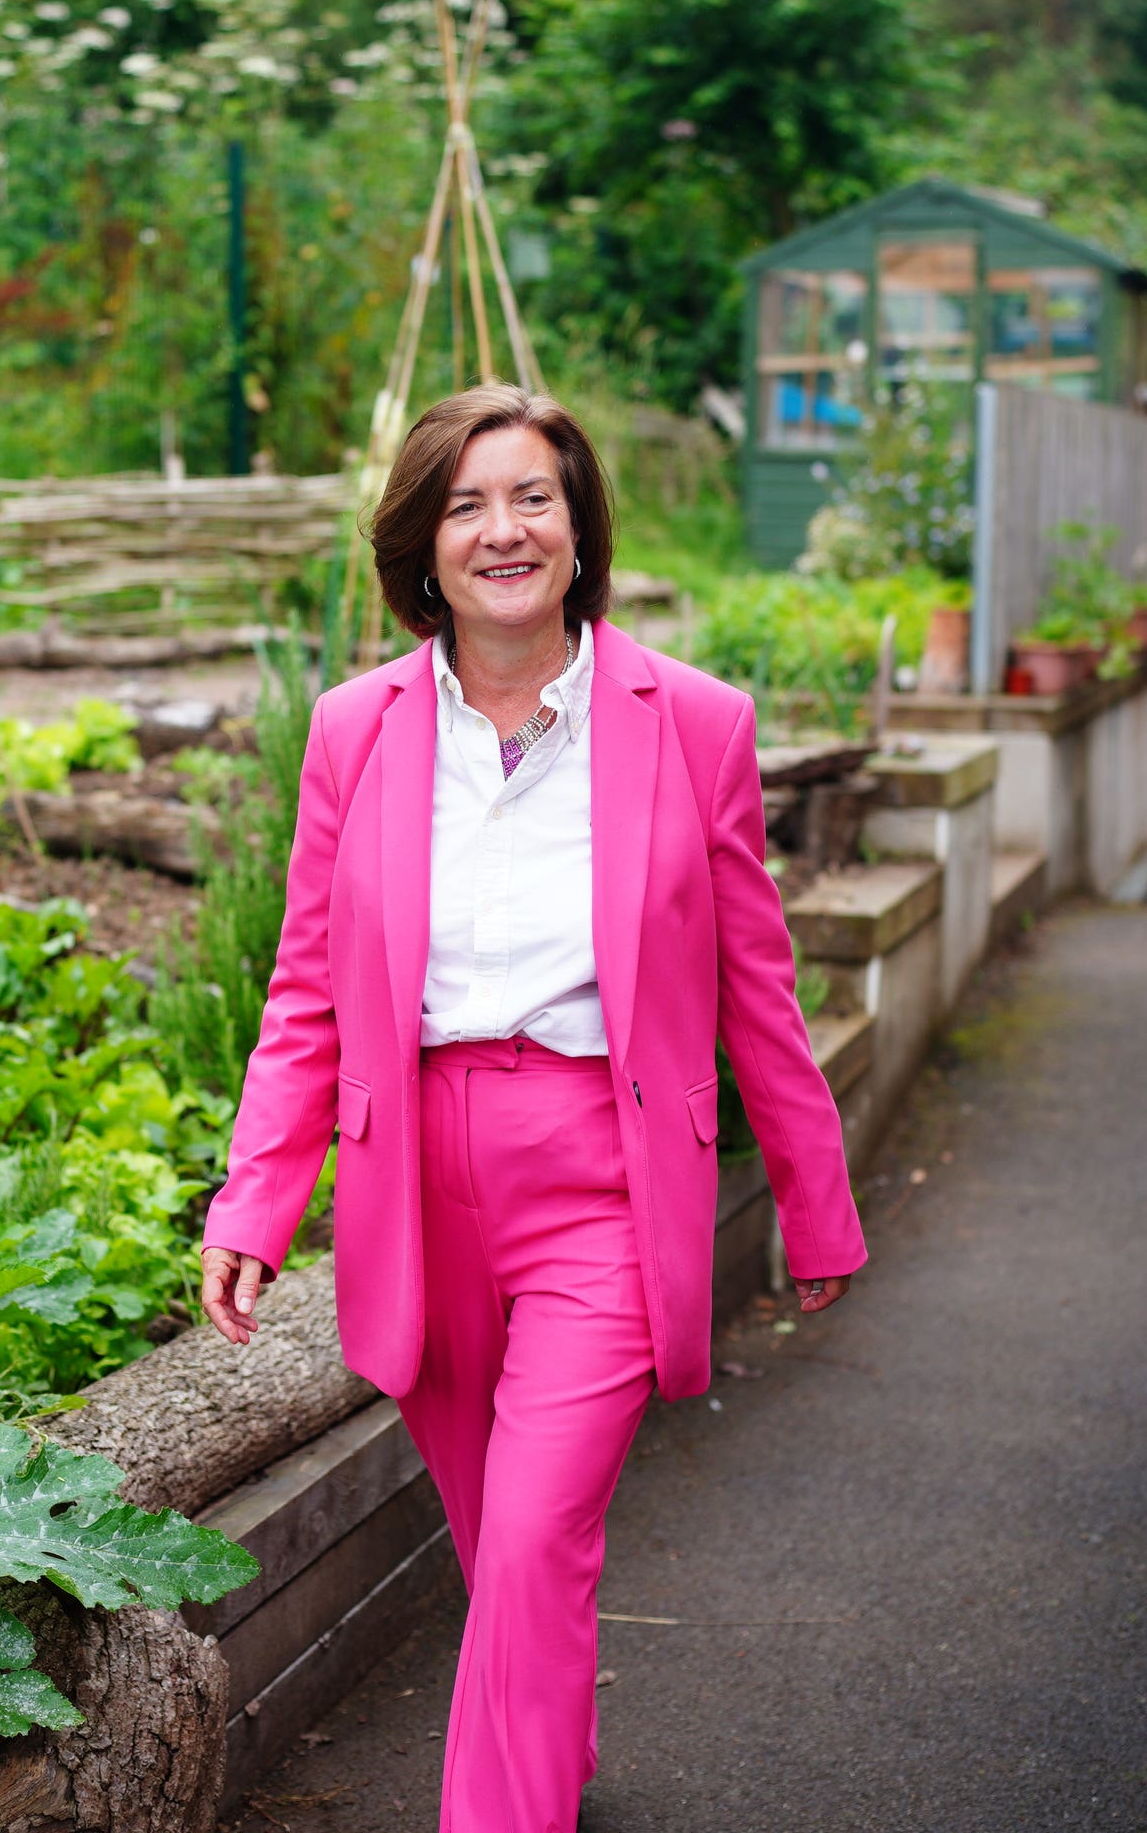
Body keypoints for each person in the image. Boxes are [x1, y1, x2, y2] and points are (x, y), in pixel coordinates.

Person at [198, 384, 866, 1830]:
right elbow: (307, 987)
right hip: (418, 1186)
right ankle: (547, 1769)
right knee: (508, 1539)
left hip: (603, 1185)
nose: (504, 530)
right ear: (423, 546)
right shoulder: (354, 732)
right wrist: (260, 1197)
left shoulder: (693, 723)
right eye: (466, 504)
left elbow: (758, 986)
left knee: (532, 1537)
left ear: (580, 527)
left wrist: (816, 1202)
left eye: (533, 498)